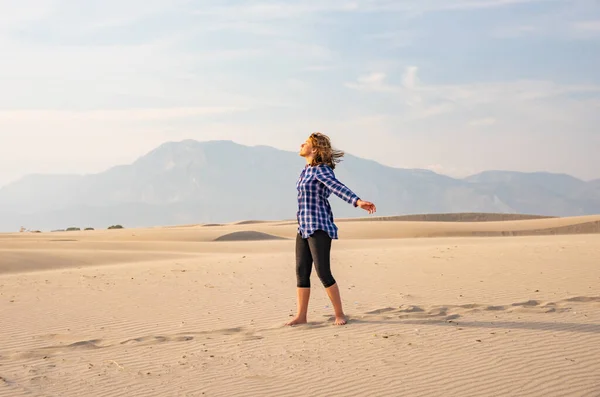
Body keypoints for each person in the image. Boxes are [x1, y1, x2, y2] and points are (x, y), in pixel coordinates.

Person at [286, 132, 376, 326]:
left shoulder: (321, 170)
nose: (302, 144)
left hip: (319, 226)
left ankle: (339, 314)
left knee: (323, 272)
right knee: (301, 271)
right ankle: (301, 316)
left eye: (307, 143)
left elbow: (337, 187)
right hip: (303, 227)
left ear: (315, 149)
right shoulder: (305, 171)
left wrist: (357, 201)